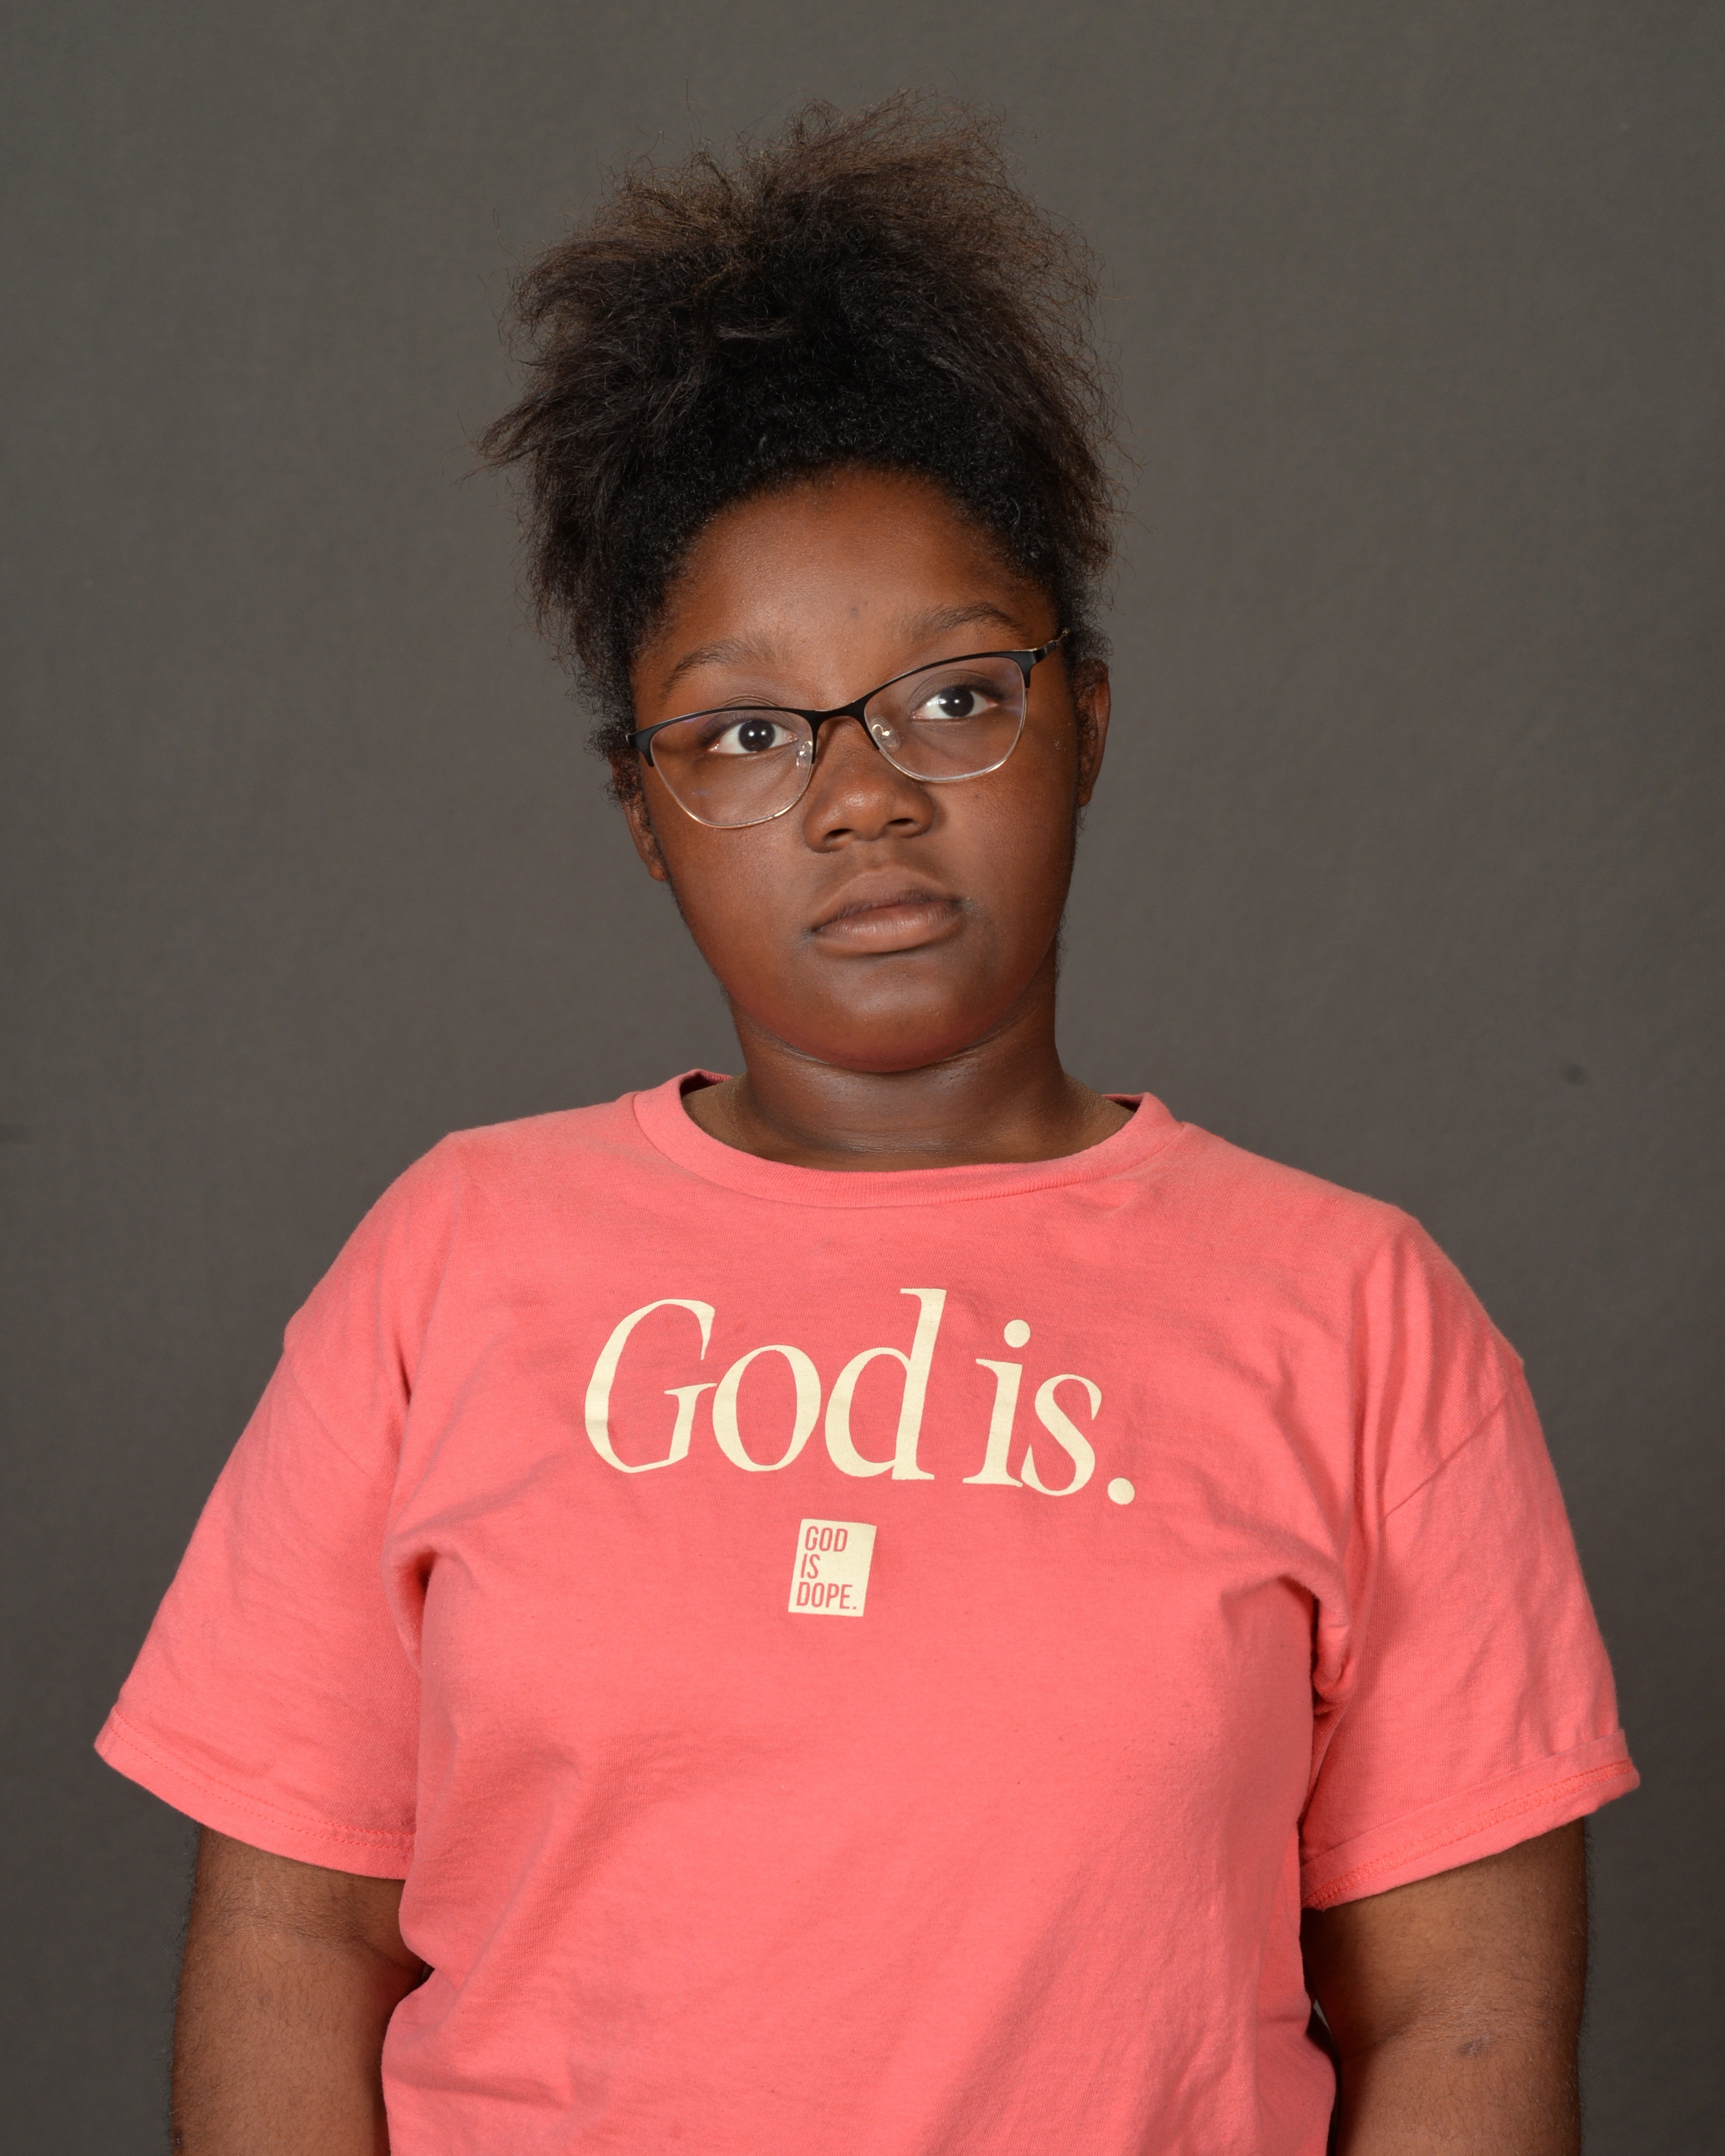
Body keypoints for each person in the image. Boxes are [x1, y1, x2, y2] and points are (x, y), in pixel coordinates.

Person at [97, 100, 1636, 2156]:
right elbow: (293, 1938)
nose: (863, 798)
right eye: (749, 730)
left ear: (1086, 719)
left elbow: (1465, 2020)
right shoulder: (450, 1262)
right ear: (644, 813)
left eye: (955, 697)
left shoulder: (1361, 1317)